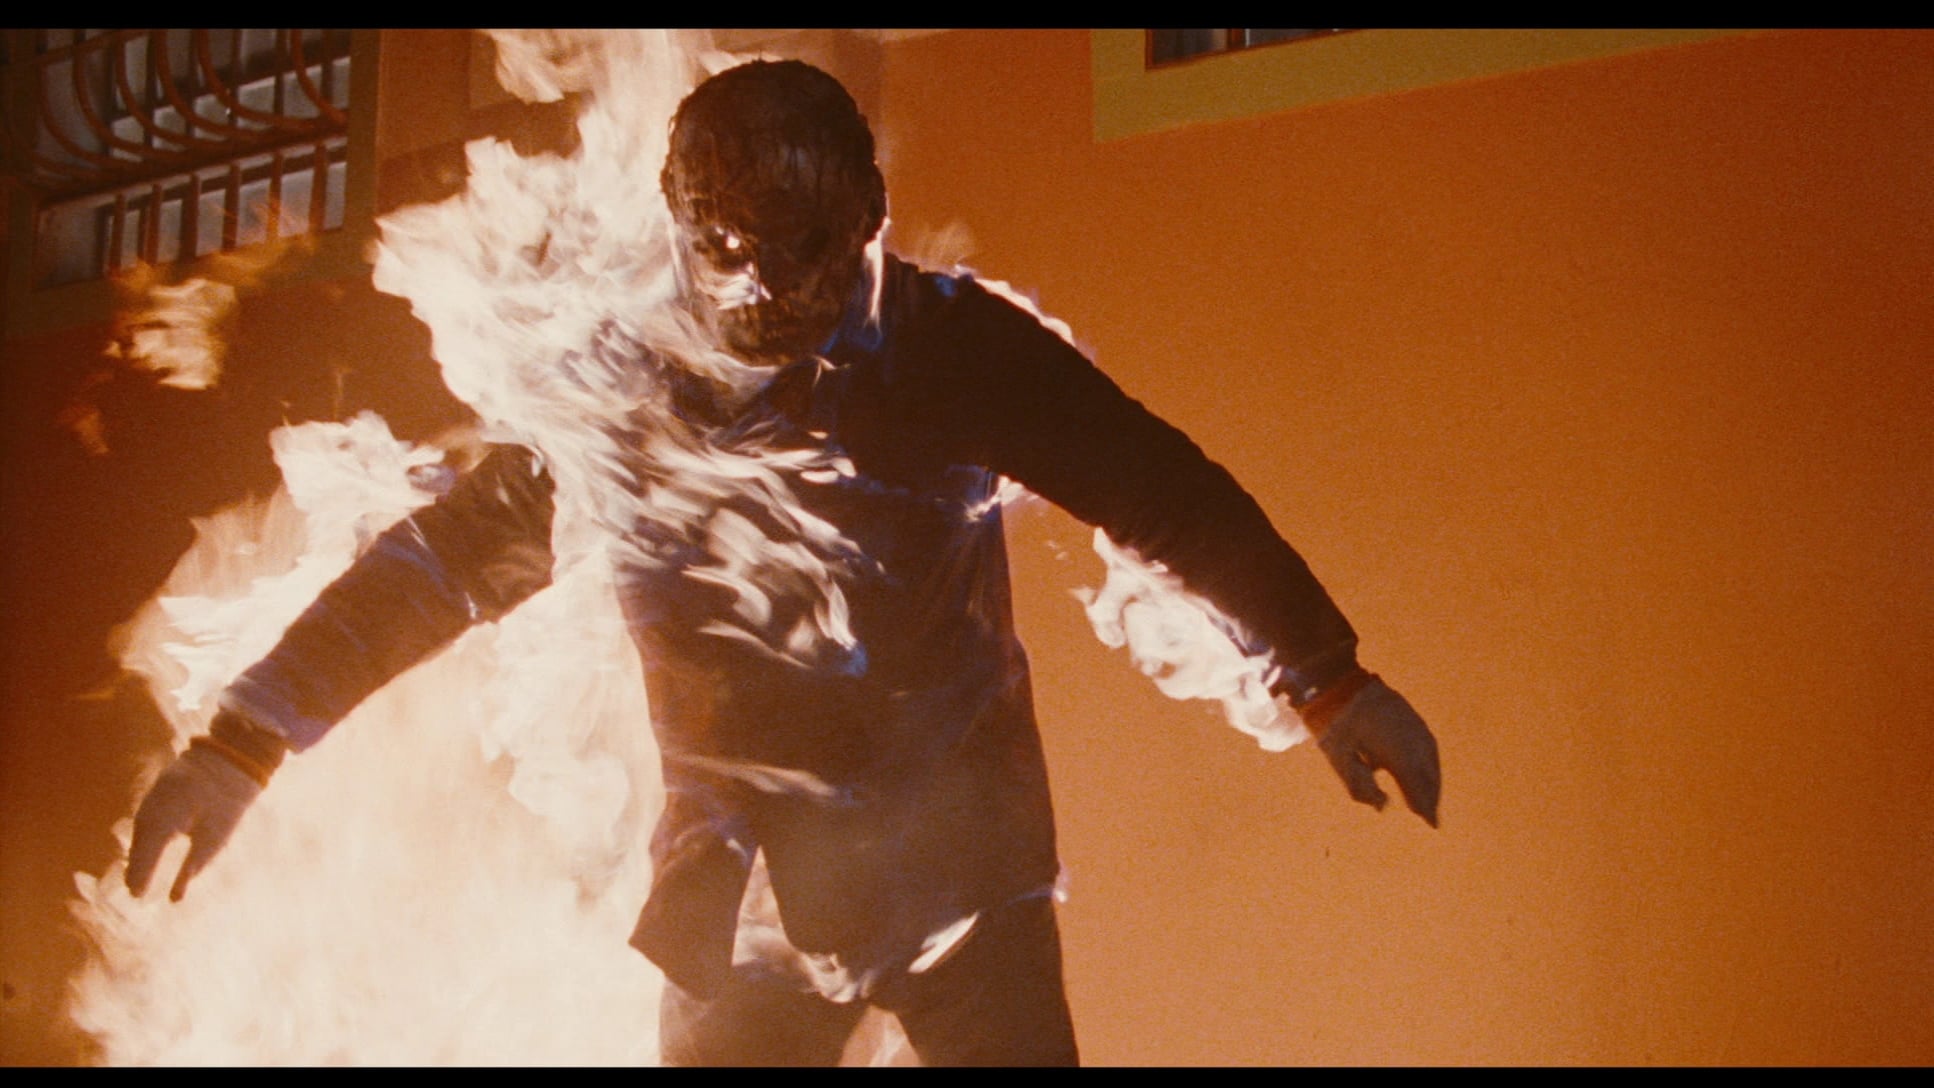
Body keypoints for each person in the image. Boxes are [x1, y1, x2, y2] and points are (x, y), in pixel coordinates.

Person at [123, 58, 1442, 1067]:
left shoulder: (958, 350)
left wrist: (1326, 678)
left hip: (968, 892)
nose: (760, 287)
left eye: (803, 251)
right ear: (678, 230)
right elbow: (437, 570)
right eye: (726, 251)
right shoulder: (620, 389)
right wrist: (241, 742)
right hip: (742, 903)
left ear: (869, 216)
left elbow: (1167, 500)